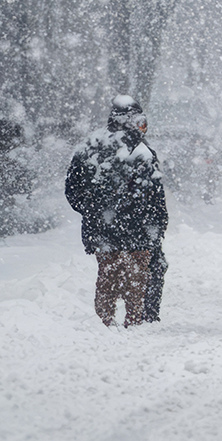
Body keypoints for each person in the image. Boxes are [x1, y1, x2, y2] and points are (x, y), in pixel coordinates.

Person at [65, 96, 168, 327]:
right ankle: (138, 321)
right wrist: (157, 225)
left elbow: (72, 191)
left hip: (104, 230)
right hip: (139, 232)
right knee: (139, 278)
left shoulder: (90, 148)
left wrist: (93, 211)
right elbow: (155, 195)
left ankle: (105, 323)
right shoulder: (143, 152)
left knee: (107, 277)